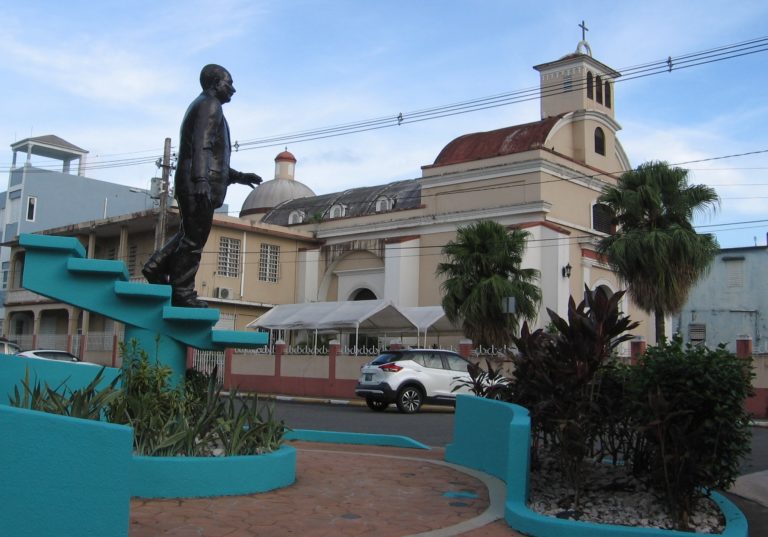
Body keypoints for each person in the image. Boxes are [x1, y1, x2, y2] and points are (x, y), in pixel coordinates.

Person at [142, 64, 261, 307]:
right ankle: (183, 293)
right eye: (229, 83)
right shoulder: (210, 105)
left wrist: (238, 176)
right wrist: (201, 180)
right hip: (196, 182)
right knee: (194, 240)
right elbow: (201, 147)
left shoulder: (207, 106)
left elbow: (214, 157)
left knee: (189, 234)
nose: (233, 89)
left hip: (197, 179)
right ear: (214, 84)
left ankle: (155, 267)